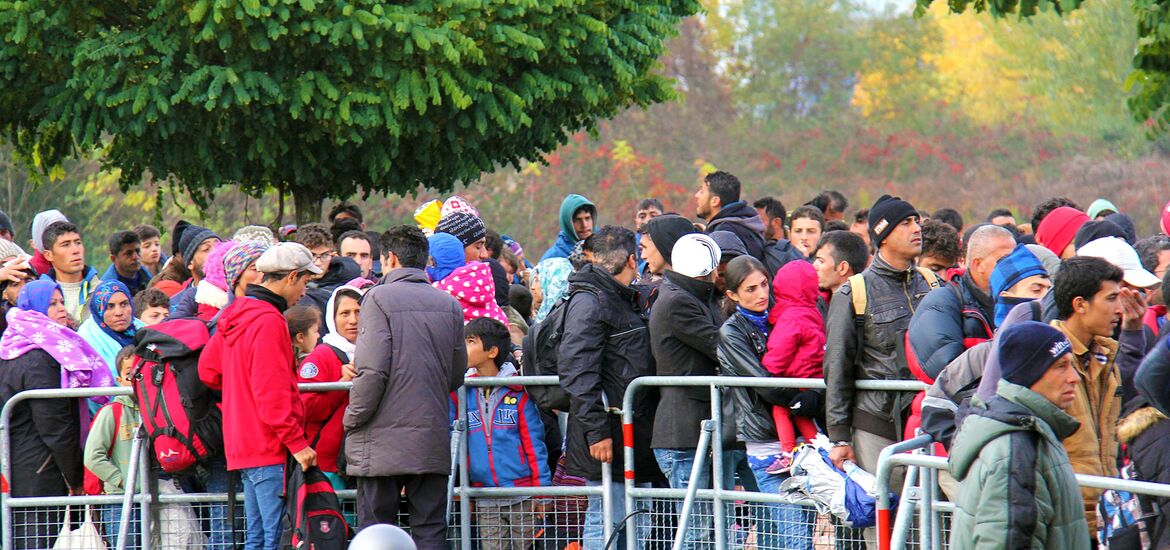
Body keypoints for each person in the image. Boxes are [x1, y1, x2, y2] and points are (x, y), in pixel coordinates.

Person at [824, 195, 937, 546]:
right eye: (905, 223)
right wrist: (840, 436)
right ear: (883, 235)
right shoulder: (855, 291)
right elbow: (837, 367)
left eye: (917, 221)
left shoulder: (932, 283)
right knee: (885, 529)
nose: (916, 229)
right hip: (876, 424)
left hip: (927, 422)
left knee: (930, 522)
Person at [344, 226, 466, 548]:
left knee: (376, 533)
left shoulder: (378, 298)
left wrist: (352, 418)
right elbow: (456, 374)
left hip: (380, 438)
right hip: (431, 436)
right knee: (430, 530)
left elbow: (372, 372)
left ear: (391, 258)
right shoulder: (449, 303)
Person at [198, 242, 322, 550]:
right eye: (305, 282)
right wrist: (296, 442)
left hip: (241, 442)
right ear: (292, 277)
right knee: (278, 537)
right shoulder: (269, 320)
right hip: (269, 443)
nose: (304, 292)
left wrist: (239, 384)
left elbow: (208, 370)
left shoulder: (235, 312)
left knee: (257, 538)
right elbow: (272, 391)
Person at [948, 321, 1090, 550]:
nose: (1074, 377)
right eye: (1061, 366)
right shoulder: (1016, 449)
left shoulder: (1027, 433)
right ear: (1030, 373)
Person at [557, 225, 655, 549]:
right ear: (631, 259)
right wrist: (596, 431)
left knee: (635, 518)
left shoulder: (621, 297)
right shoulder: (591, 301)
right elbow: (577, 371)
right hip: (605, 435)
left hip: (628, 434)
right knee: (605, 517)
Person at [0, 280, 114, 549]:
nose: (61, 309)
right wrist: (76, 478)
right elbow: (54, 425)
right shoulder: (38, 356)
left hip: (23, 464)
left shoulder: (13, 346)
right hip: (40, 469)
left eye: (61, 301)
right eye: (52, 304)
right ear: (35, 309)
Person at [717, 255, 816, 549]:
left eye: (764, 284)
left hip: (802, 437)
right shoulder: (731, 332)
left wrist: (813, 395)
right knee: (795, 535)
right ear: (732, 295)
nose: (762, 294)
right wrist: (804, 398)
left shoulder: (782, 315)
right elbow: (764, 383)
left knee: (802, 531)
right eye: (750, 289)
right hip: (765, 439)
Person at [650, 233, 737, 548]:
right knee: (696, 532)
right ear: (711, 268)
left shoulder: (691, 296)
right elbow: (721, 347)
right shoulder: (680, 302)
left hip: (696, 429)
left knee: (715, 529)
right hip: (683, 434)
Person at [452, 318, 550, 550]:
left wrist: (542, 493)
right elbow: (457, 443)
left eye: (471, 341)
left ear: (492, 351)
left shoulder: (518, 391)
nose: (463, 347)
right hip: (484, 494)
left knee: (525, 546)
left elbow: (534, 445)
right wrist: (463, 485)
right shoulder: (463, 392)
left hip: (521, 494)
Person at [1047, 256, 1125, 525]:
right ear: (1080, 304)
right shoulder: (1044, 360)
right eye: (1111, 298)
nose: (1120, 309)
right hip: (1064, 516)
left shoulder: (1106, 356)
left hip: (1107, 516)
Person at [908, 225, 1016, 380]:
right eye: (1004, 260)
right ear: (977, 264)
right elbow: (950, 373)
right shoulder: (942, 303)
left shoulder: (1018, 300)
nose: (1013, 266)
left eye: (1015, 259)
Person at [760, 260, 824, 472]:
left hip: (795, 375)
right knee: (801, 414)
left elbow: (781, 346)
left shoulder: (790, 317)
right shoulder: (812, 310)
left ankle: (788, 453)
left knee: (781, 410)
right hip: (811, 375)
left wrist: (769, 368)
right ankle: (820, 448)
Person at [298, 285, 364, 487]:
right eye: (344, 313)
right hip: (328, 462)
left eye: (359, 312)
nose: (353, 320)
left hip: (364, 460)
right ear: (332, 318)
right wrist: (341, 386)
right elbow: (306, 409)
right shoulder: (322, 355)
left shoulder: (378, 352)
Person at [84, 345, 143, 549]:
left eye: (140, 371)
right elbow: (93, 456)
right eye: (129, 374)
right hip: (119, 498)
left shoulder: (155, 411)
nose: (135, 378)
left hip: (151, 496)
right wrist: (121, 480)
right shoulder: (111, 412)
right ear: (119, 380)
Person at [78, 280, 143, 383]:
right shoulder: (86, 339)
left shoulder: (143, 329)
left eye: (124, 304)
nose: (118, 312)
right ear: (98, 310)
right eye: (110, 306)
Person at [40, 221, 101, 324]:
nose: (75, 250)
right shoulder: (40, 296)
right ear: (48, 255)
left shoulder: (102, 290)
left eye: (78, 243)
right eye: (65, 245)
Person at [696, 171, 766, 260]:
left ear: (715, 201)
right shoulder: (744, 222)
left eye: (702, 191)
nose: (697, 195)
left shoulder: (724, 233)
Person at [169, 224, 222, 318]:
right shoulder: (175, 305)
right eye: (206, 249)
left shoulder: (236, 294)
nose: (216, 252)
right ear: (190, 263)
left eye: (219, 245)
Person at [637, 214, 697, 286]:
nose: (643, 256)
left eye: (645, 247)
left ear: (664, 246)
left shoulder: (692, 289)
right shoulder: (643, 288)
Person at [812, 230, 868, 305]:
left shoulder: (869, 307)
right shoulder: (816, 303)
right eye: (816, 259)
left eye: (821, 261)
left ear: (843, 268)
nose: (814, 266)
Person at [541, 194, 596, 262]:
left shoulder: (605, 246)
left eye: (587, 218)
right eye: (578, 220)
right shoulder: (553, 259)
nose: (584, 225)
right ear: (567, 223)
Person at [101, 230, 151, 296]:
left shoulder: (147, 277)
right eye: (129, 253)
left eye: (137, 251)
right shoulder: (106, 290)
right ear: (113, 259)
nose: (135, 257)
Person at [531, 257, 573, 323]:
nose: (532, 287)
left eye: (537, 280)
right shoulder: (550, 313)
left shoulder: (562, 317)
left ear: (551, 282)